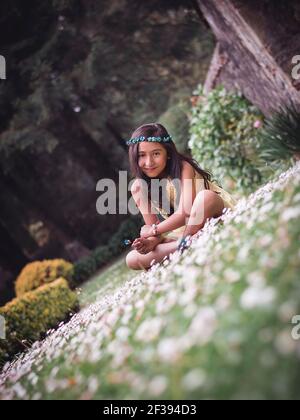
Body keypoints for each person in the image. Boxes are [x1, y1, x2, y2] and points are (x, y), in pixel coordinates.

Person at [125, 123, 237, 270]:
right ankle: (184, 244)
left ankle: (184, 243)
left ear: (168, 152)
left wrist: (153, 231)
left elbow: (185, 212)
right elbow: (155, 231)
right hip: (183, 231)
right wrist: (152, 241)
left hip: (213, 212)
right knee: (132, 259)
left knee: (205, 197)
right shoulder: (138, 187)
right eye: (142, 155)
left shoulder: (184, 167)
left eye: (156, 154)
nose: (149, 162)